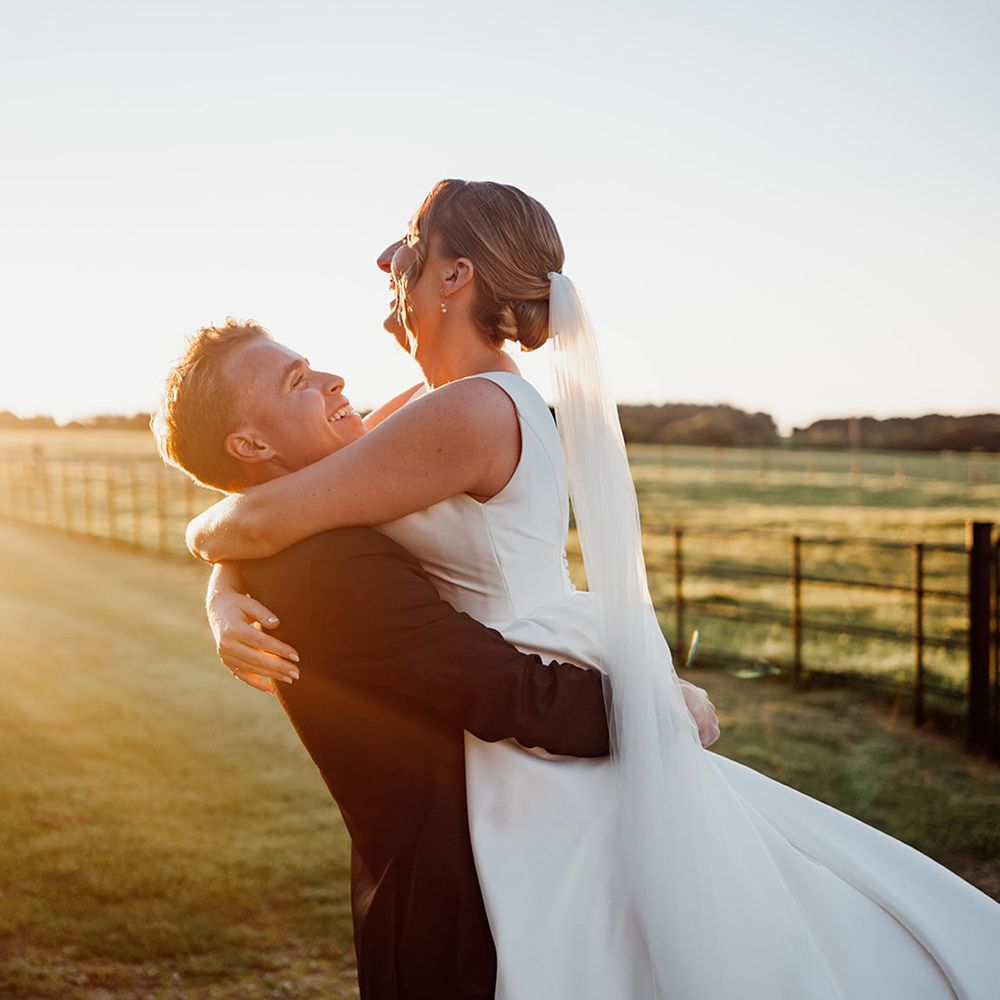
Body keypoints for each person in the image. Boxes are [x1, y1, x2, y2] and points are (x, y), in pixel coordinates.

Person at [187, 180, 1000, 999]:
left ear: (454, 276)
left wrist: (202, 547)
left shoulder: (466, 410)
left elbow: (258, 523)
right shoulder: (432, 404)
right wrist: (223, 592)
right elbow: (285, 504)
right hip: (505, 666)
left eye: (411, 239)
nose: (386, 258)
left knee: (604, 926)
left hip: (519, 665)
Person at [152, 320, 720, 1000]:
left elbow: (253, 523)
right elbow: (502, 692)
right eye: (298, 383)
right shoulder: (327, 566)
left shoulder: (324, 522)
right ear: (250, 444)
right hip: (456, 911)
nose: (334, 381)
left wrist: (223, 580)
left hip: (497, 860)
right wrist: (651, 711)